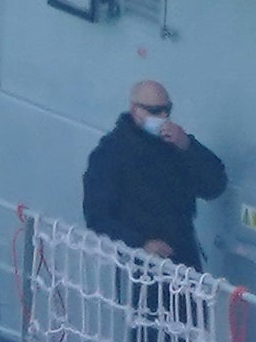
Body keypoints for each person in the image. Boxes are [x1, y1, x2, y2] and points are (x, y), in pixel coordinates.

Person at [79, 80, 223, 260]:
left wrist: (188, 146)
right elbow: (97, 217)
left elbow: (215, 185)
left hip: (182, 253)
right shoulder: (110, 154)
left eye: (167, 110)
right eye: (155, 111)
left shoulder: (175, 145)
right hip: (138, 262)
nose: (162, 116)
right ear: (134, 110)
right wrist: (140, 244)